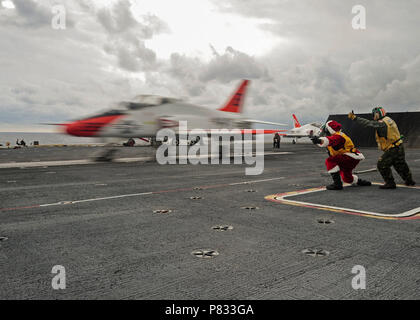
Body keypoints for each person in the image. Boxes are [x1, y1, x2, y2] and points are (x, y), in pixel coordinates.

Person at [348, 107, 415, 189]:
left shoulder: (381, 123)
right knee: (400, 165)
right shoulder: (388, 119)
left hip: (393, 148)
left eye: (374, 115)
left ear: (377, 114)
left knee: (382, 164)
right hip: (399, 146)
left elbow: (368, 123)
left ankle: (390, 183)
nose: (373, 116)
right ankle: (409, 181)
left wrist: (355, 118)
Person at [311, 120, 371, 190]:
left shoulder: (338, 136)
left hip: (349, 157)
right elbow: (331, 145)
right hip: (351, 158)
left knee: (330, 161)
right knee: (346, 177)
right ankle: (359, 181)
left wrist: (319, 140)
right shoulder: (339, 135)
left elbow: (330, 140)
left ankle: (337, 184)